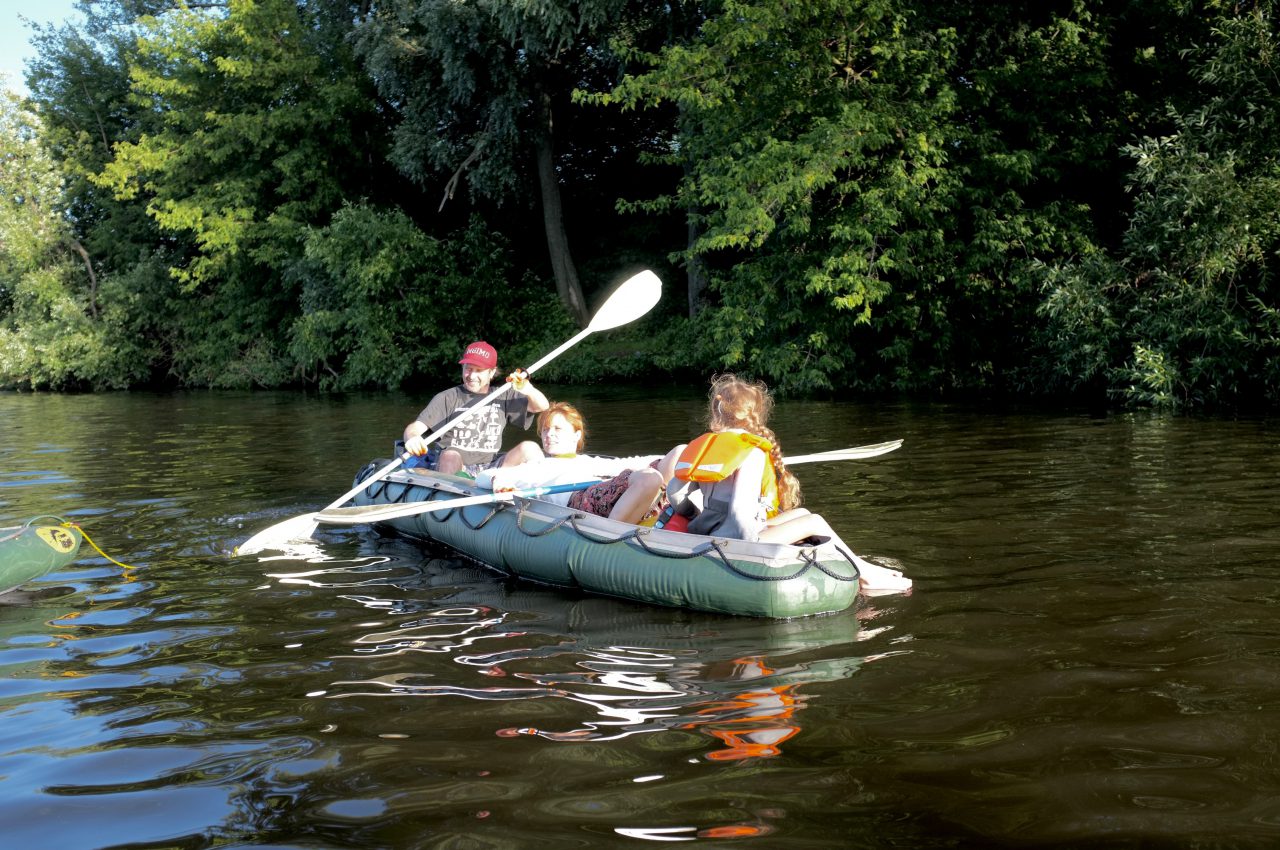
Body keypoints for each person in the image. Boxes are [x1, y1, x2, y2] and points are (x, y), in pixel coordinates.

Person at [660, 374, 911, 594]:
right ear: (755, 415)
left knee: (801, 513)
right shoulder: (752, 452)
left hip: (711, 528)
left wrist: (696, 516)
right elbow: (738, 515)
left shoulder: (700, 447)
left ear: (716, 411)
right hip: (739, 540)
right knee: (815, 522)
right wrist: (752, 546)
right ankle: (866, 576)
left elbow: (674, 493)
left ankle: (863, 565)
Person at [478, 401, 675, 524]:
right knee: (650, 479)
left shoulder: (588, 461)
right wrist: (498, 480)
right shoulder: (537, 466)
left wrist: (672, 455)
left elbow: (628, 462)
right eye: (545, 430)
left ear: (576, 435)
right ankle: (608, 540)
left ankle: (681, 519)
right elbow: (484, 476)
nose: (549, 435)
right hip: (578, 499)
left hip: (604, 490)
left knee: (678, 453)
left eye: (557, 429)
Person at [402, 340, 548, 477]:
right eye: (468, 369)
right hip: (457, 466)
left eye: (479, 370)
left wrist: (527, 389)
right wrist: (412, 438)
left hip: (491, 467)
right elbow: (415, 427)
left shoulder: (503, 395)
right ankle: (449, 499)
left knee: (530, 448)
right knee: (450, 456)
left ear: (491, 372)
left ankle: (542, 498)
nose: (471, 376)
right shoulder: (447, 398)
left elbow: (541, 406)